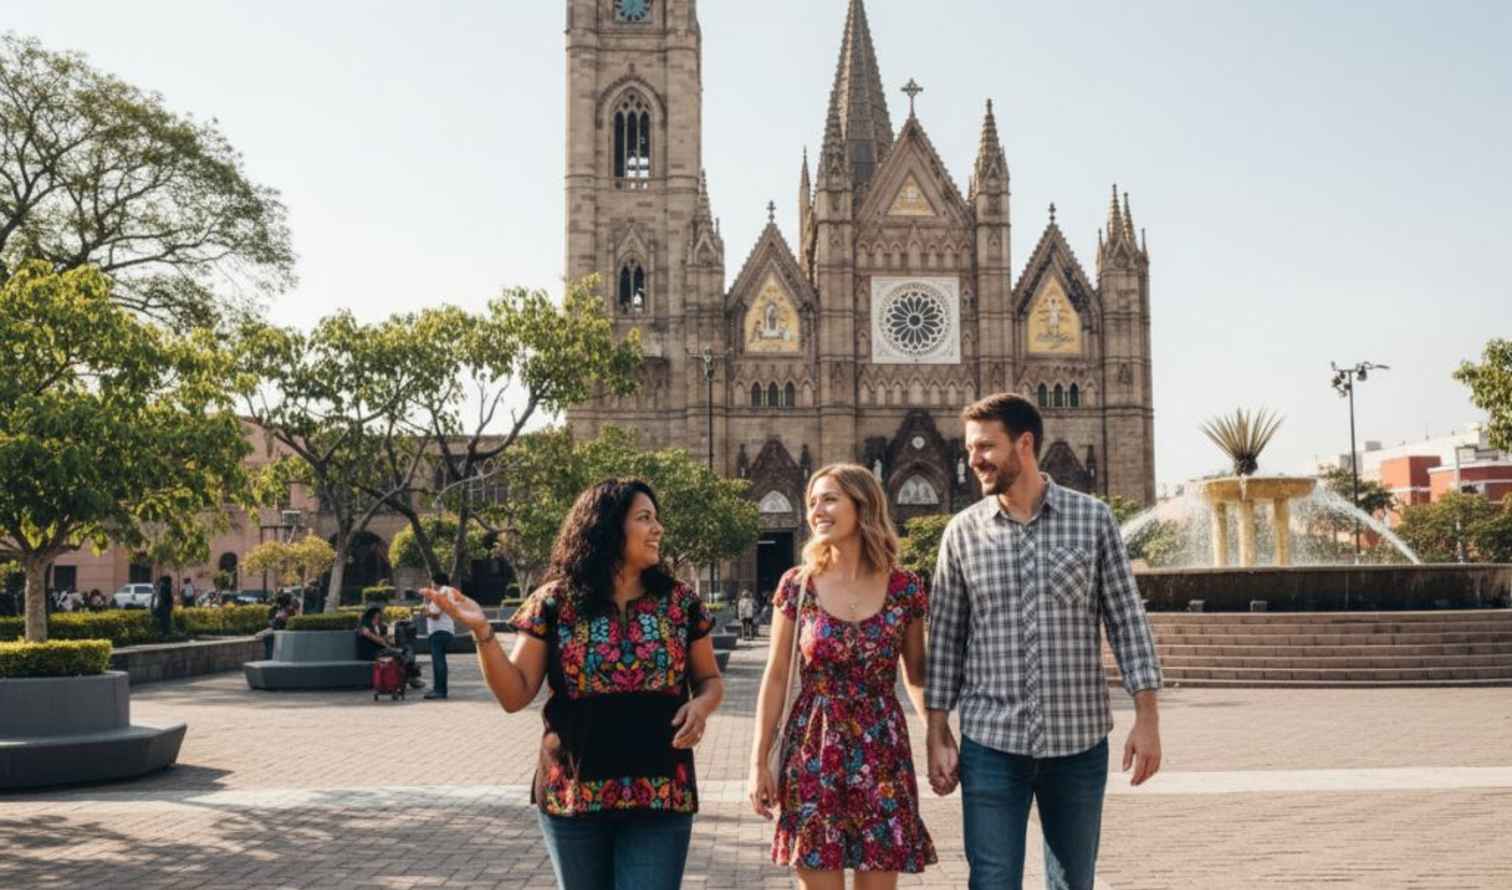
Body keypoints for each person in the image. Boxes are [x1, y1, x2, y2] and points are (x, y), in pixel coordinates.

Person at [424, 479, 724, 890]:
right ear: (606, 528)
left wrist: (702, 706)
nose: (658, 529)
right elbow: (514, 695)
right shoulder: (553, 602)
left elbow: (708, 680)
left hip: (661, 792)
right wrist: (482, 633)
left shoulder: (682, 602)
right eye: (644, 518)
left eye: (657, 519)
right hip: (573, 793)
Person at [926, 393, 1164, 890]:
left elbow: (1127, 621)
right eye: (971, 449)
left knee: (1074, 881)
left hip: (1077, 742)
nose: (974, 461)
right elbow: (946, 637)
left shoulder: (1094, 520)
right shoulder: (961, 533)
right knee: (992, 880)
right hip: (991, 743)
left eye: (986, 447)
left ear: (1025, 444)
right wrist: (936, 729)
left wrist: (1147, 720)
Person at [748, 463, 936, 888]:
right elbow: (776, 676)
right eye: (812, 501)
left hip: (882, 749)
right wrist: (759, 761)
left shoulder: (905, 587)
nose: (817, 510)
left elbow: (916, 674)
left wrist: (937, 734)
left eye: (829, 498)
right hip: (813, 746)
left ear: (863, 505)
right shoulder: (798, 585)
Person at [417, 572, 457, 700]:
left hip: (439, 632)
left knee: (438, 662)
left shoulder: (442, 593)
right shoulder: (445, 594)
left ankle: (440, 691)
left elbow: (435, 615)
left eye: (432, 582)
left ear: (437, 582)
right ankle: (438, 689)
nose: (431, 585)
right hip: (444, 631)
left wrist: (426, 611)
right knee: (440, 662)